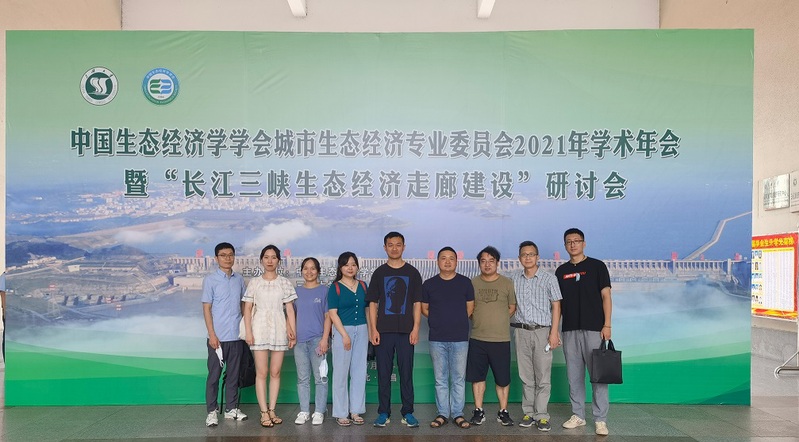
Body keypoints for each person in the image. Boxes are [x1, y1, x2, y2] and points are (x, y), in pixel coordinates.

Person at [555, 228, 613, 436]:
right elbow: (557, 304)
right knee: (574, 376)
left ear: (584, 243)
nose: (573, 244)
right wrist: (555, 330)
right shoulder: (561, 271)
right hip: (570, 329)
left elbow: (606, 296)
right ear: (565, 245)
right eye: (569, 242)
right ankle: (578, 415)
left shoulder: (597, 266)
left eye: (576, 241)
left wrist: (607, 325)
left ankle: (600, 419)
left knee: (598, 376)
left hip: (595, 329)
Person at [367, 232, 423, 428]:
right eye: (390, 245)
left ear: (403, 247)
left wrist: (416, 328)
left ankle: (408, 412)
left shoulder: (413, 273)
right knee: (384, 374)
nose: (394, 248)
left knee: (406, 373)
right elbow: (372, 303)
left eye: (398, 244)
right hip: (383, 331)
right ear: (385, 248)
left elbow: (417, 303)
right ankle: (384, 412)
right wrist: (373, 330)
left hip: (406, 332)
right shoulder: (379, 273)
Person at [242, 245, 298, 428]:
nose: (270, 260)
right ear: (261, 260)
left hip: (279, 328)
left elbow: (290, 309)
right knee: (262, 372)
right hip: (259, 329)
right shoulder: (254, 282)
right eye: (266, 257)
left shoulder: (284, 282)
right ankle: (263, 412)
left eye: (273, 257)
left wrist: (292, 331)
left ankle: (272, 409)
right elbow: (248, 308)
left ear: (279, 261)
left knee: (275, 372)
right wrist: (248, 331)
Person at [511, 241, 562, 431]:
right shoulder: (513, 279)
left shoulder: (549, 279)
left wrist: (554, 332)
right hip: (521, 331)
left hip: (543, 331)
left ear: (537, 257)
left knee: (542, 375)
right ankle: (528, 413)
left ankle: (542, 415)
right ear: (519, 258)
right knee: (525, 375)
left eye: (531, 254)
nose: (528, 258)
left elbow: (556, 306)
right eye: (524, 255)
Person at [421, 247, 475, 430]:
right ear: (437, 262)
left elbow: (470, 308)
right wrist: (438, 320)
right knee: (440, 378)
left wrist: (455, 320)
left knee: (458, 378)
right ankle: (443, 413)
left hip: (460, 338)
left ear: (456, 262)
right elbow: (424, 308)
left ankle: (458, 414)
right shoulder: (429, 284)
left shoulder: (465, 283)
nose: (447, 261)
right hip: (437, 338)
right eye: (443, 258)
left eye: (451, 258)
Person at [467, 246, 517, 427]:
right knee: (478, 378)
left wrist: (499, 320)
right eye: (483, 261)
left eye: (491, 261)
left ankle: (503, 411)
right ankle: (478, 411)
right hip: (477, 338)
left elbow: (512, 307)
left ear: (497, 263)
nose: (487, 264)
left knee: (502, 379)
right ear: (479, 263)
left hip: (501, 339)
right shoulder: (472, 283)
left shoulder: (507, 283)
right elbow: (469, 309)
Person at [202, 242, 248, 427]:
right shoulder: (210, 280)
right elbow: (207, 308)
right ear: (216, 258)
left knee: (233, 376)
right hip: (218, 338)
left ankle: (231, 409)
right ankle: (212, 412)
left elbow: (243, 305)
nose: (227, 258)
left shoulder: (239, 280)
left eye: (230, 255)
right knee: (214, 376)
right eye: (223, 255)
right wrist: (212, 335)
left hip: (236, 336)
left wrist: (246, 330)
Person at [328, 252, 370, 426]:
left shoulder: (363, 285)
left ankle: (356, 410)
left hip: (362, 329)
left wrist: (370, 330)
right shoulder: (335, 287)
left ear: (357, 267)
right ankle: (341, 413)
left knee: (359, 371)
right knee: (340, 372)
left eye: (353, 264)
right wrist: (344, 335)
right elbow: (332, 313)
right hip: (342, 331)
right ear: (340, 268)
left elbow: (367, 310)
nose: (350, 268)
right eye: (346, 265)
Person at [293, 257, 332, 426]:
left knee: (320, 377)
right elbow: (291, 316)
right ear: (301, 271)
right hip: (300, 342)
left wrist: (324, 339)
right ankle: (304, 411)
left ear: (318, 271)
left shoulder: (324, 291)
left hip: (318, 340)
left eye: (313, 268)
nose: (309, 272)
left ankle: (319, 411)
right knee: (302, 378)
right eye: (306, 268)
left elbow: (328, 316)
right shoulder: (296, 292)